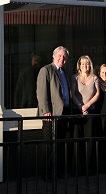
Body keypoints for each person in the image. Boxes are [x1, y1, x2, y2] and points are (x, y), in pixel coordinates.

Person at [36, 46, 72, 179]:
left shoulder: (64, 72)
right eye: (60, 56)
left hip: (64, 114)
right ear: (54, 56)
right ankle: (46, 175)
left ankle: (58, 173)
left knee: (59, 145)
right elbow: (41, 93)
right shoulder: (46, 70)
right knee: (49, 146)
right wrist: (46, 111)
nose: (62, 59)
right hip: (51, 115)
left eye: (64, 57)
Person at [71, 55, 100, 174]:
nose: (85, 66)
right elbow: (72, 94)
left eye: (87, 63)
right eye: (82, 64)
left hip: (90, 111)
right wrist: (80, 106)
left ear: (90, 65)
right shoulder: (74, 78)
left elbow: (98, 94)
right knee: (78, 139)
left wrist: (87, 105)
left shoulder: (94, 78)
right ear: (79, 65)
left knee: (90, 139)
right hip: (77, 112)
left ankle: (89, 169)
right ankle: (77, 169)